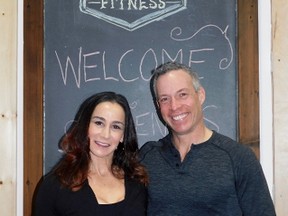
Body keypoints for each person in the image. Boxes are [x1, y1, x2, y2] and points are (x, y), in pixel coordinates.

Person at [139, 62, 276, 216]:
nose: (174, 106)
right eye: (165, 99)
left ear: (200, 95)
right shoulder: (147, 157)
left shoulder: (238, 157)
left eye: (182, 94)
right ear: (158, 106)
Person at [33, 91, 148, 216]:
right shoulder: (55, 185)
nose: (105, 134)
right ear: (85, 126)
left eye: (116, 127)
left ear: (122, 136)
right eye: (99, 123)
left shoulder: (136, 182)